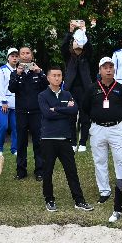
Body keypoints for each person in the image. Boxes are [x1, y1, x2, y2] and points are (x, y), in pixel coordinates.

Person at [36, 66, 93, 213]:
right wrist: (64, 110)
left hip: (65, 139)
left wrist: (56, 109)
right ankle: (49, 200)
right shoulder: (42, 95)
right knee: (47, 172)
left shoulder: (67, 94)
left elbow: (74, 110)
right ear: (48, 78)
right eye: (54, 75)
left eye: (59, 75)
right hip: (48, 139)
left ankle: (79, 200)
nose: (57, 78)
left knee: (71, 171)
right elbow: (47, 114)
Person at [86, 56, 122, 203]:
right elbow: (85, 107)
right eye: (105, 67)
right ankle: (104, 191)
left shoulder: (120, 88)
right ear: (100, 70)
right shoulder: (92, 88)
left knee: (120, 159)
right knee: (100, 160)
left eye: (111, 67)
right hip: (97, 128)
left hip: (116, 128)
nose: (108, 70)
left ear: (114, 69)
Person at [8, 47, 44, 180]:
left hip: (36, 112)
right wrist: (18, 74)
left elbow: (46, 86)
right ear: (19, 57)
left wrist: (40, 73)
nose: (25, 55)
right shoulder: (15, 73)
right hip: (21, 112)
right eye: (22, 53)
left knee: (38, 142)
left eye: (27, 53)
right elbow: (11, 88)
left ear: (32, 55)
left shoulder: (38, 71)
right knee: (21, 142)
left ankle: (40, 170)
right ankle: (21, 170)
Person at [62, 23, 95, 152]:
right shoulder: (68, 56)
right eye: (75, 40)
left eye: (80, 41)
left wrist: (84, 31)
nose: (78, 43)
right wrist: (70, 31)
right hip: (70, 90)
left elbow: (89, 46)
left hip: (85, 90)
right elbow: (64, 46)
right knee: (71, 116)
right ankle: (73, 142)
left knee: (85, 117)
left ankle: (83, 142)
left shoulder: (86, 56)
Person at [0, 48, 18, 152]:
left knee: (16, 127)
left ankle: (15, 149)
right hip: (3, 103)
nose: (14, 58)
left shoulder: (19, 70)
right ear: (8, 58)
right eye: (12, 56)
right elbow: (0, 87)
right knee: (3, 125)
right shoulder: (2, 69)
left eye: (16, 56)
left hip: (15, 103)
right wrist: (4, 102)